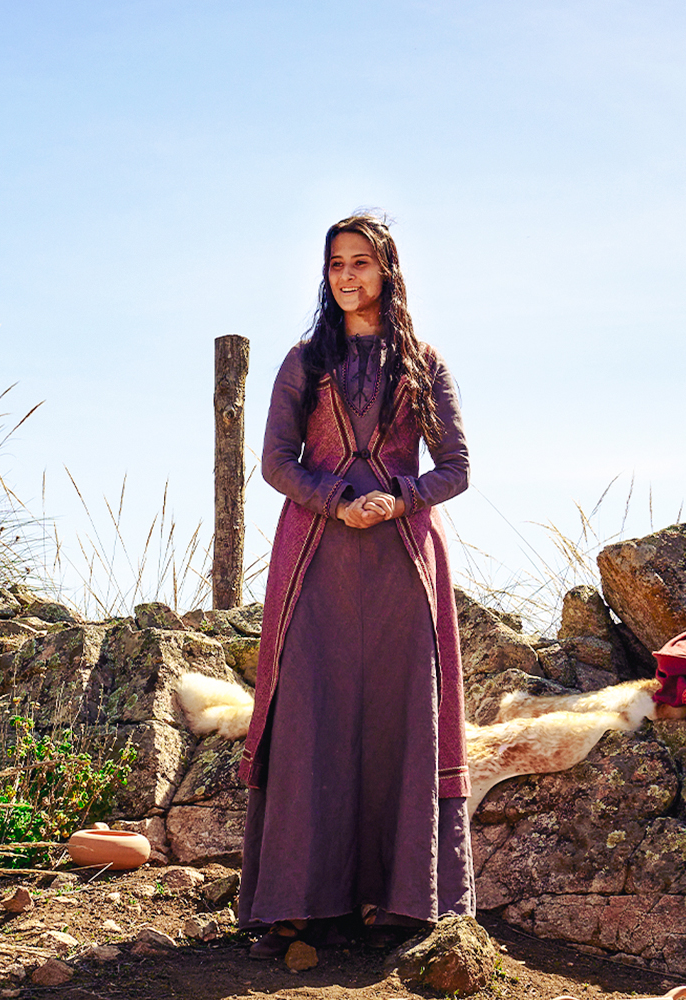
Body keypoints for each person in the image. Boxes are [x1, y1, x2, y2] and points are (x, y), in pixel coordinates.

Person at [235, 213, 475, 957]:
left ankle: (401, 900)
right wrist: (338, 501)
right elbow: (276, 461)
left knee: (398, 715)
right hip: (316, 559)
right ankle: (300, 900)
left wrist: (398, 498)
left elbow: (457, 468)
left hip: (404, 563)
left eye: (362, 262)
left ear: (387, 271)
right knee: (312, 712)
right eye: (336, 262)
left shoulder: (423, 363)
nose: (347, 274)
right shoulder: (304, 362)